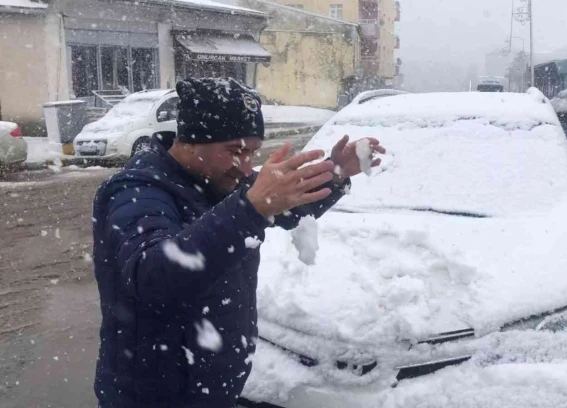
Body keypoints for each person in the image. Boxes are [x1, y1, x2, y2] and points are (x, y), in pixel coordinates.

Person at [91, 77, 385, 408]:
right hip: (155, 397)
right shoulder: (137, 192)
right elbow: (152, 275)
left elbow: (284, 204)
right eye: (235, 151)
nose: (245, 166)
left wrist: (335, 173)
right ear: (190, 142)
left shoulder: (218, 179)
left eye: (253, 152)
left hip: (211, 392)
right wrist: (249, 209)